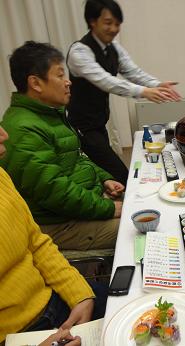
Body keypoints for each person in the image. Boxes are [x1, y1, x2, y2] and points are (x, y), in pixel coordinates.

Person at [0, 41, 123, 251]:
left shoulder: (49, 115)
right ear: (36, 83)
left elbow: (77, 158)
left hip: (79, 206)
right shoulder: (24, 129)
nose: (68, 82)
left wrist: (104, 179)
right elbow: (55, 192)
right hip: (58, 224)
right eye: (59, 75)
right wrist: (108, 208)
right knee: (141, 225)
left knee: (144, 198)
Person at [0, 125, 106, 345]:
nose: (4, 134)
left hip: (52, 300)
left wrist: (79, 294)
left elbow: (37, 243)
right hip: (18, 334)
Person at [67, 0, 181, 185]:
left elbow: (132, 72)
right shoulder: (79, 52)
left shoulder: (114, 48)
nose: (113, 28)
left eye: (117, 24)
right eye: (108, 22)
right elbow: (105, 81)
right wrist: (144, 92)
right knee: (121, 175)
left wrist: (157, 84)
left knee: (106, 174)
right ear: (92, 21)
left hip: (99, 122)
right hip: (81, 126)